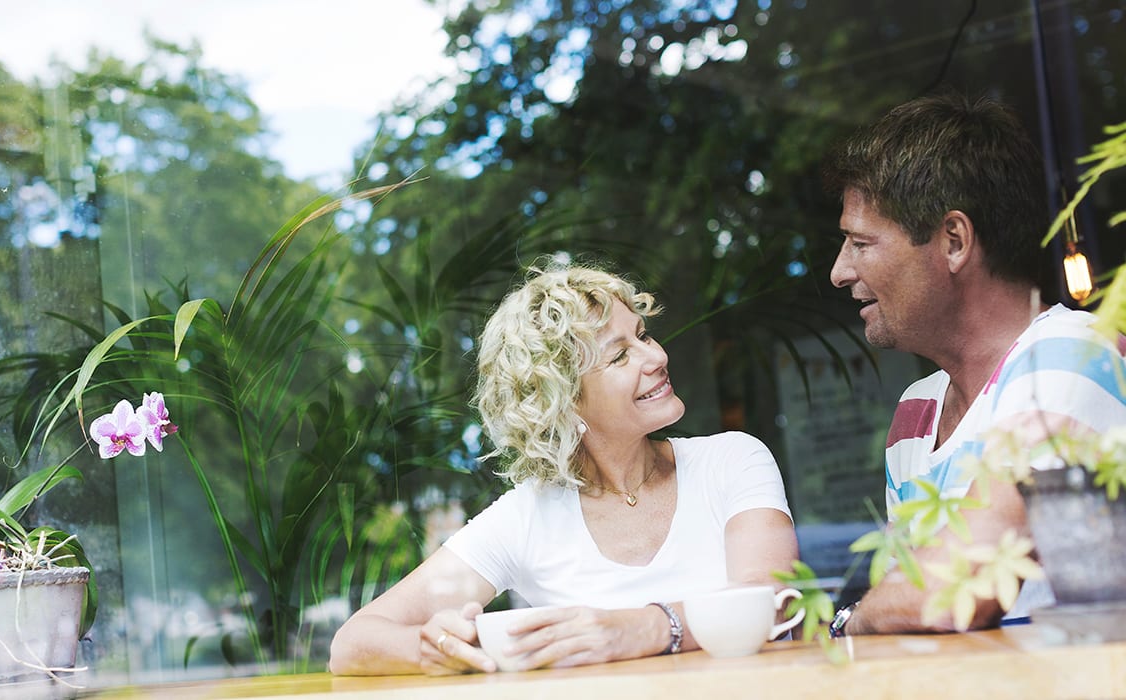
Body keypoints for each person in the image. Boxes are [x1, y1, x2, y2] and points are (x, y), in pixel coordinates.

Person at [329, 263, 799, 675]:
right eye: (619, 355)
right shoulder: (526, 516)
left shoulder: (733, 460)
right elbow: (352, 645)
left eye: (643, 335)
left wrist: (643, 629)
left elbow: (771, 604)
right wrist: (434, 651)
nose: (656, 357)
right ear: (565, 403)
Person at [822, 92, 1126, 636]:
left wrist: (846, 621)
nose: (840, 272)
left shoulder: (1068, 357)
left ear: (955, 240)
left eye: (860, 243)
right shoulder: (916, 411)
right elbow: (906, 601)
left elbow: (948, 592)